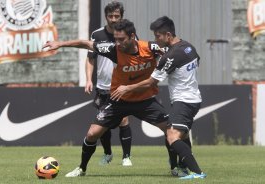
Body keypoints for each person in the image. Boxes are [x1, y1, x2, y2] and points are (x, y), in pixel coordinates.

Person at [43, 19, 171, 177]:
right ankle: (82, 168)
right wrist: (60, 44)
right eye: (115, 39)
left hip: (145, 100)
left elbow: (172, 49)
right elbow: (86, 44)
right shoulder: (113, 49)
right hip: (119, 100)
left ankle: (175, 167)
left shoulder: (151, 48)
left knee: (171, 130)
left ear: (132, 37)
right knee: (91, 134)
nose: (117, 43)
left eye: (121, 39)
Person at [111, 16, 206, 179]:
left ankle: (197, 173)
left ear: (168, 35)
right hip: (194, 98)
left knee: (172, 136)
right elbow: (197, 60)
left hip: (184, 101)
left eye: (158, 36)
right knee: (180, 135)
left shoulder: (170, 56)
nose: (156, 39)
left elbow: (150, 82)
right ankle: (183, 167)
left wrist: (127, 88)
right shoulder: (188, 47)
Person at [85, 1, 132, 167]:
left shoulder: (128, 34)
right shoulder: (97, 35)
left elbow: (137, 55)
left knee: (123, 120)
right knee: (102, 123)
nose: (113, 19)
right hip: (103, 87)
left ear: (121, 17)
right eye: (110, 16)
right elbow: (90, 59)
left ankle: (126, 157)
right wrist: (88, 79)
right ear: (106, 17)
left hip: (122, 87)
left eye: (117, 16)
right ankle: (107, 154)